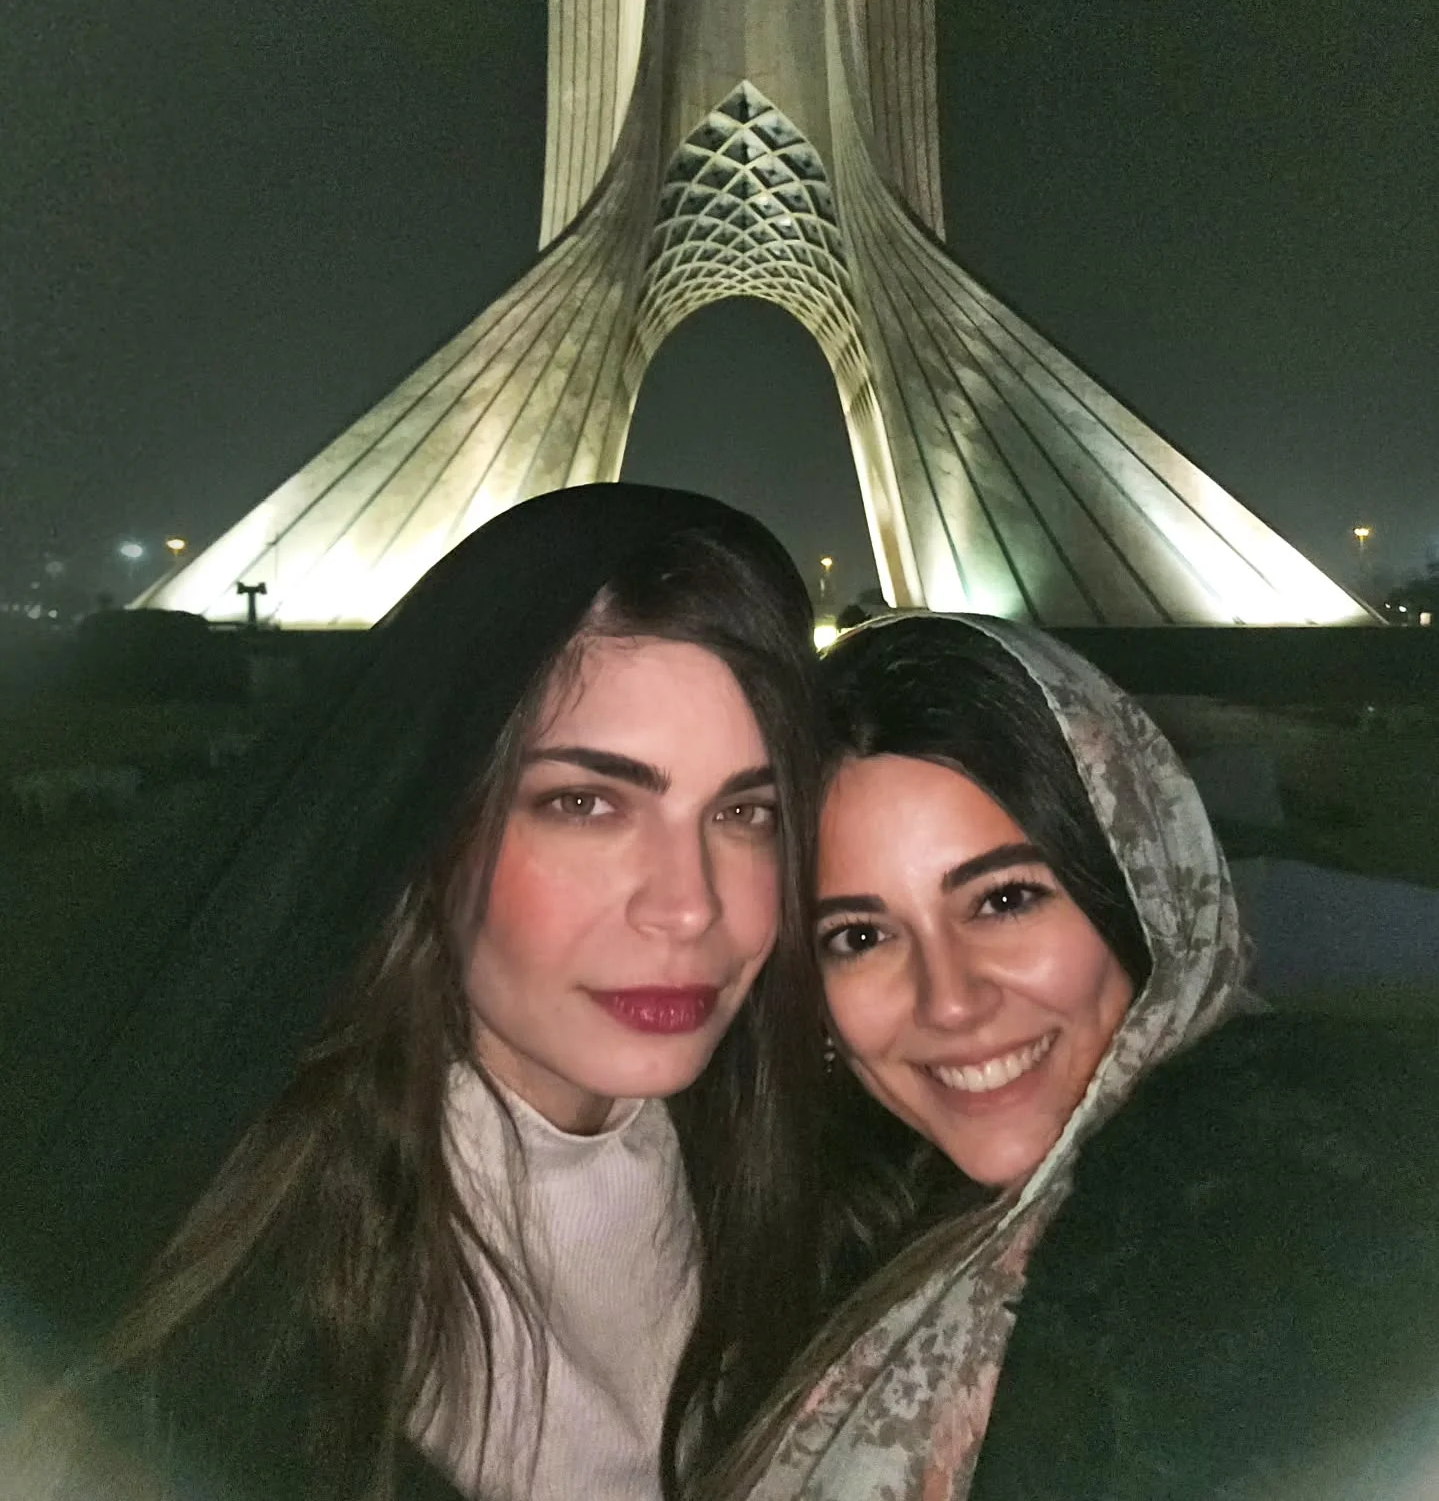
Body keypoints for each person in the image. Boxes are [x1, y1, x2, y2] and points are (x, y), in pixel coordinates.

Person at [0, 483, 827, 1501]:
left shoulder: (813, 1188)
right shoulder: (232, 1319)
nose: (688, 906)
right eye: (584, 803)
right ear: (435, 825)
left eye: (747, 813)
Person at [699, 612, 1439, 1501]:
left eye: (1004, 899)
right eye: (859, 935)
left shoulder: (1292, 1232)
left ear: (1140, 894)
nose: (949, 999)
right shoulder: (831, 1230)